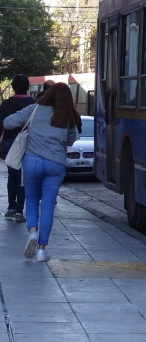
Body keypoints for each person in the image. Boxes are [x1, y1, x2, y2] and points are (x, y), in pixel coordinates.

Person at [3, 83, 78, 262]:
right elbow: (71, 139)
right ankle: (42, 250)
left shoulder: (34, 109)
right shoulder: (69, 115)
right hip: (56, 164)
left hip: (32, 162)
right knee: (48, 205)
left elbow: (7, 122)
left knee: (32, 200)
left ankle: (32, 233)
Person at [0, 74, 37, 222]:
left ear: (13, 87)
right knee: (22, 177)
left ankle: (11, 207)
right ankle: (20, 211)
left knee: (12, 175)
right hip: (27, 142)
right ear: (27, 87)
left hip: (10, 142)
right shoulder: (33, 104)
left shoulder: (5, 105)